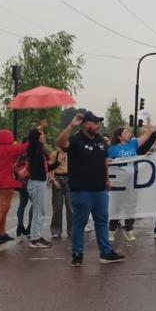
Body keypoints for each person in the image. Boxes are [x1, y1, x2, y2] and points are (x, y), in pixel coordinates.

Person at [57, 112, 125, 266]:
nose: (98, 125)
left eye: (98, 122)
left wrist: (107, 179)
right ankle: (77, 254)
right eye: (95, 122)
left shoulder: (100, 141)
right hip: (81, 190)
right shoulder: (75, 140)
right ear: (85, 124)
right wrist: (71, 125)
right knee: (79, 223)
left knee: (102, 221)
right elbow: (60, 142)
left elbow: (104, 161)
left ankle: (105, 252)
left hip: (100, 190)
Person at [106, 125, 155, 243]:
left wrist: (149, 128)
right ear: (119, 136)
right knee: (116, 206)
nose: (128, 133)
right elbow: (106, 164)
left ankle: (129, 229)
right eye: (125, 132)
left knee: (131, 206)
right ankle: (111, 229)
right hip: (118, 183)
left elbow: (147, 136)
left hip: (132, 182)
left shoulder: (132, 144)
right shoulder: (112, 149)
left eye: (128, 131)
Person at [0, 129, 28, 245]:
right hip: (7, 182)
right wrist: (38, 131)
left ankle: (2, 233)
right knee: (2, 206)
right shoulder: (10, 149)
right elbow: (25, 146)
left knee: (5, 206)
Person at [24, 129, 56, 248]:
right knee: (38, 211)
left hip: (40, 182)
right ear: (36, 137)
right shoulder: (33, 150)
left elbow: (47, 166)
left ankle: (36, 236)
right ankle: (35, 239)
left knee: (39, 211)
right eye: (41, 134)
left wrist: (58, 162)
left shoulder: (40, 151)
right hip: (36, 183)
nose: (44, 136)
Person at [48, 147, 73, 238]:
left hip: (69, 179)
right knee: (57, 206)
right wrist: (53, 180)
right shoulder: (55, 154)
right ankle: (56, 230)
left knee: (70, 206)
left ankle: (71, 230)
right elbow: (50, 167)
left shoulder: (71, 153)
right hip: (57, 178)